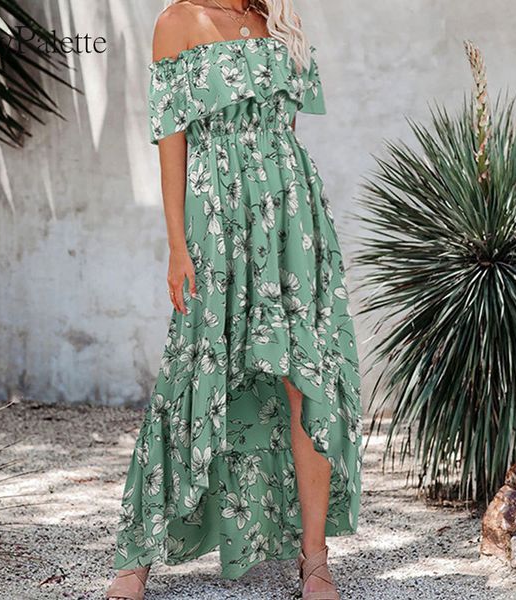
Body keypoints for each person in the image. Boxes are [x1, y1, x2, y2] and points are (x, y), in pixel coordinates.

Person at [107, 1, 362, 598]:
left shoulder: (277, 18)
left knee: (305, 377)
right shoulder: (176, 23)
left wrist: (286, 216)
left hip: (291, 216)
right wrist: (178, 244)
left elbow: (286, 130)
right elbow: (172, 141)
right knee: (194, 372)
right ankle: (138, 551)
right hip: (216, 216)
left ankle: (316, 559)